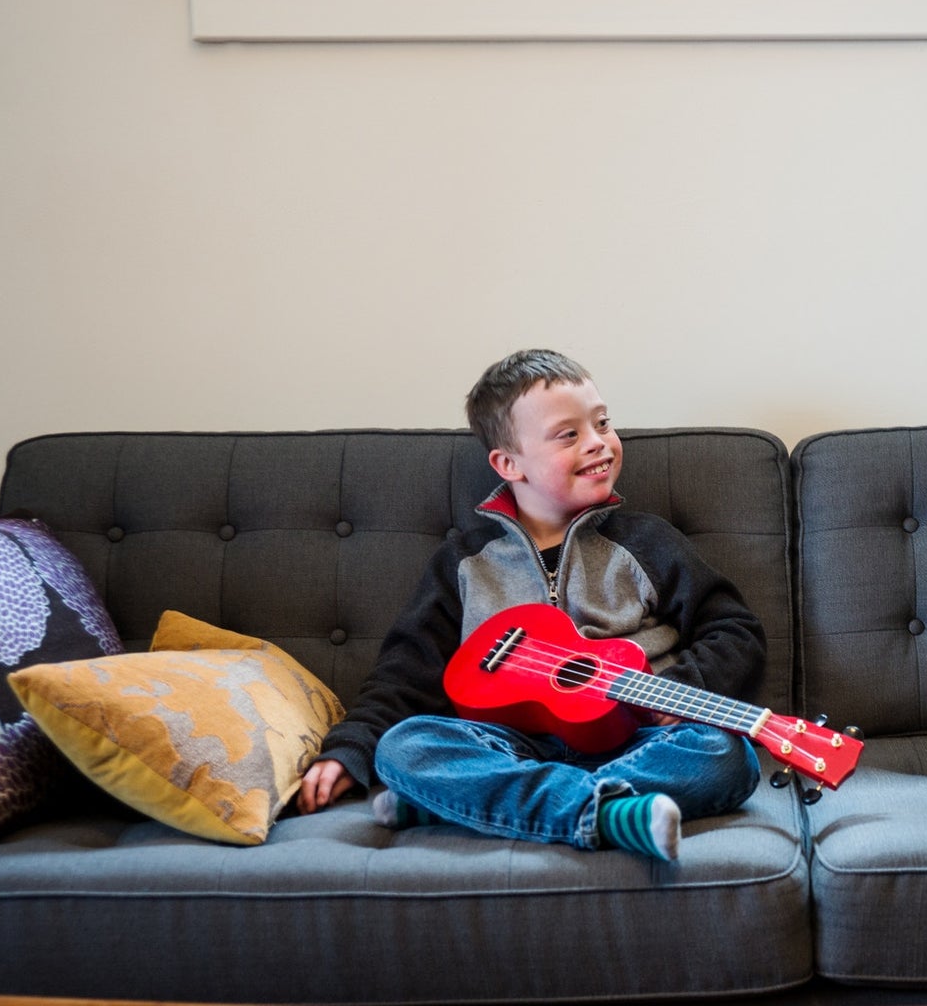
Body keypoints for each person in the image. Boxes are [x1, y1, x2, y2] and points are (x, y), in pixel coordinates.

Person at [297, 349, 765, 861]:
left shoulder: (647, 542)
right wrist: (350, 749)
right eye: (569, 435)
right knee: (405, 747)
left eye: (603, 423)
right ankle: (606, 814)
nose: (599, 443)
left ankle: (469, 807)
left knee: (727, 755)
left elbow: (734, 630)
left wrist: (674, 693)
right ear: (508, 463)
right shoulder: (464, 562)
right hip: (511, 749)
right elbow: (403, 675)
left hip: (639, 741)